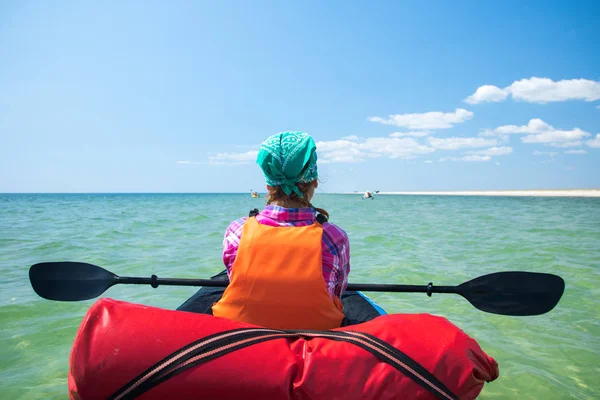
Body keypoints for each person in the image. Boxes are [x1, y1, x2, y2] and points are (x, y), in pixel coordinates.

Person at [212, 131, 351, 330]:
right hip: (313, 336)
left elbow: (234, 279)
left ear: (268, 185)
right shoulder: (334, 237)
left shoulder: (237, 231)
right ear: (314, 181)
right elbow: (338, 291)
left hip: (242, 336)